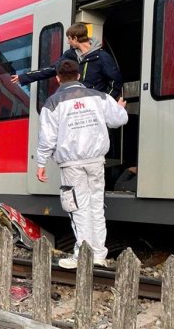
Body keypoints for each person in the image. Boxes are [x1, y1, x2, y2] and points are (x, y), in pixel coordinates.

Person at [36, 60, 127, 269]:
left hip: (71, 164)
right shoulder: (99, 97)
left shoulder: (52, 103)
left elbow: (46, 138)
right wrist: (120, 108)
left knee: (77, 207)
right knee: (96, 206)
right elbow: (119, 120)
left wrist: (41, 163)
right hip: (96, 161)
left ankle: (82, 255)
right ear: (78, 76)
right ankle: (98, 254)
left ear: (58, 78)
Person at [11, 22, 123, 100]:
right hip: (76, 106)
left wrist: (106, 102)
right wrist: (23, 77)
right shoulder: (70, 55)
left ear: (75, 38)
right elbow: (51, 69)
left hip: (94, 108)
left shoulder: (102, 57)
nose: (68, 42)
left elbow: (115, 82)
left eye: (69, 38)